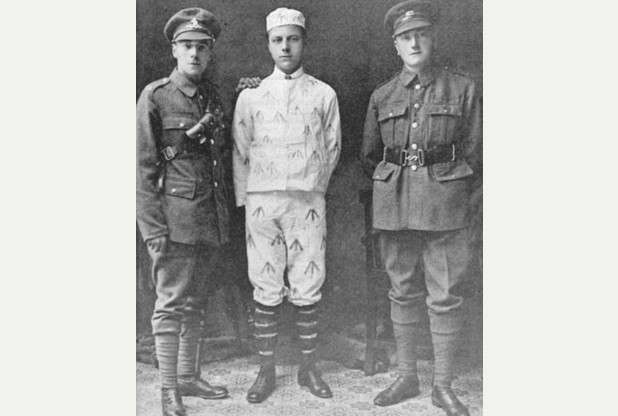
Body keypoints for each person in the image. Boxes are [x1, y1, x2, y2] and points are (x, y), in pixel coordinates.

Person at [360, 1, 482, 415]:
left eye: (421, 34)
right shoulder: (383, 96)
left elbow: (476, 151)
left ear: (433, 39)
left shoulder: (462, 89)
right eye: (405, 37)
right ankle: (406, 375)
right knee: (401, 290)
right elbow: (369, 155)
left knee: (445, 295)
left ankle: (443, 386)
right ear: (396, 46)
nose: (414, 42)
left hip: (446, 205)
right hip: (395, 205)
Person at [136, 8, 244, 416]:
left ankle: (187, 376)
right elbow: (143, 169)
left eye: (202, 47)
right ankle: (168, 390)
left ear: (210, 51)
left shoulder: (213, 96)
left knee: (197, 301)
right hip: (175, 221)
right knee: (170, 305)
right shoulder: (156, 95)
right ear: (174, 50)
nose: (195, 53)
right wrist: (152, 229)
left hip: (209, 218)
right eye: (187, 46)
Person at [232, 7, 342, 404]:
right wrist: (248, 199)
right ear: (268, 44)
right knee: (265, 283)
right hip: (262, 204)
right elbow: (241, 150)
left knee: (308, 282)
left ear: (303, 42)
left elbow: (332, 147)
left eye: (292, 39)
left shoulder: (323, 93)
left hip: (306, 201)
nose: (285, 46)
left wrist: (313, 189)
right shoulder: (252, 96)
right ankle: (266, 371)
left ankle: (309, 368)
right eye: (278, 40)